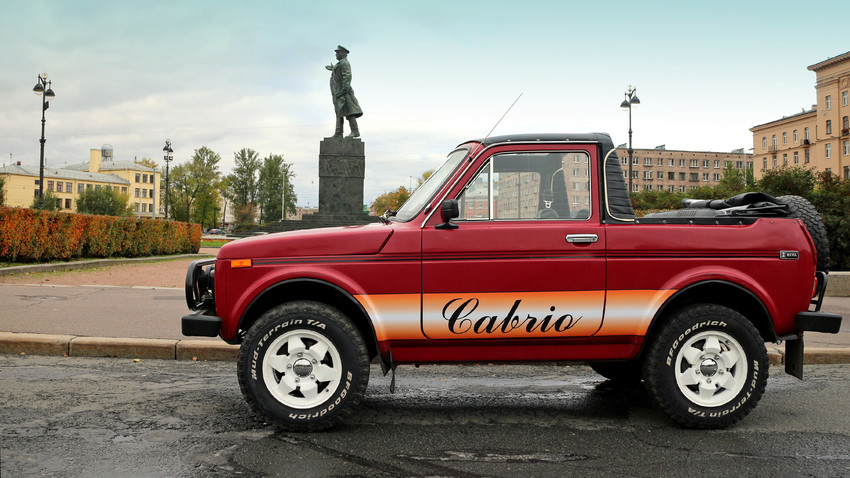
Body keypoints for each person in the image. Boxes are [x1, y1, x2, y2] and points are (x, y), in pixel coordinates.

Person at [325, 45, 363, 138]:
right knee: (339, 112)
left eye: (337, 52)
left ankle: (355, 131)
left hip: (343, 92)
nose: (336, 54)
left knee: (349, 111)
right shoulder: (340, 64)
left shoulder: (344, 63)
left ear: (343, 53)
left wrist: (342, 91)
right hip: (338, 91)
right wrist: (333, 69)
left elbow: (347, 77)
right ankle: (338, 132)